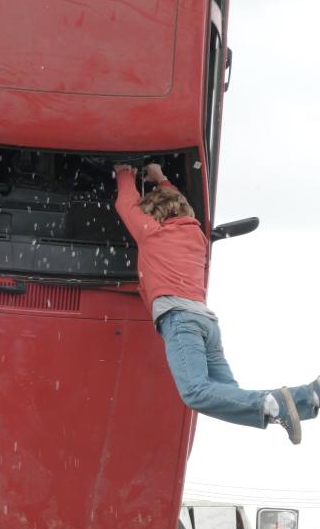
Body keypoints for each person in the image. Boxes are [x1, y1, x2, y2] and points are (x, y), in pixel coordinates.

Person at [113, 162, 320, 444]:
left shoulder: (151, 232)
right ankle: (309, 397)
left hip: (180, 320)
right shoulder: (197, 236)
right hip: (206, 323)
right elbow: (170, 201)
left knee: (195, 392)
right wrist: (161, 179)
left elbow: (126, 204)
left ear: (153, 214)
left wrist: (125, 172)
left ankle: (273, 404)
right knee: (228, 396)